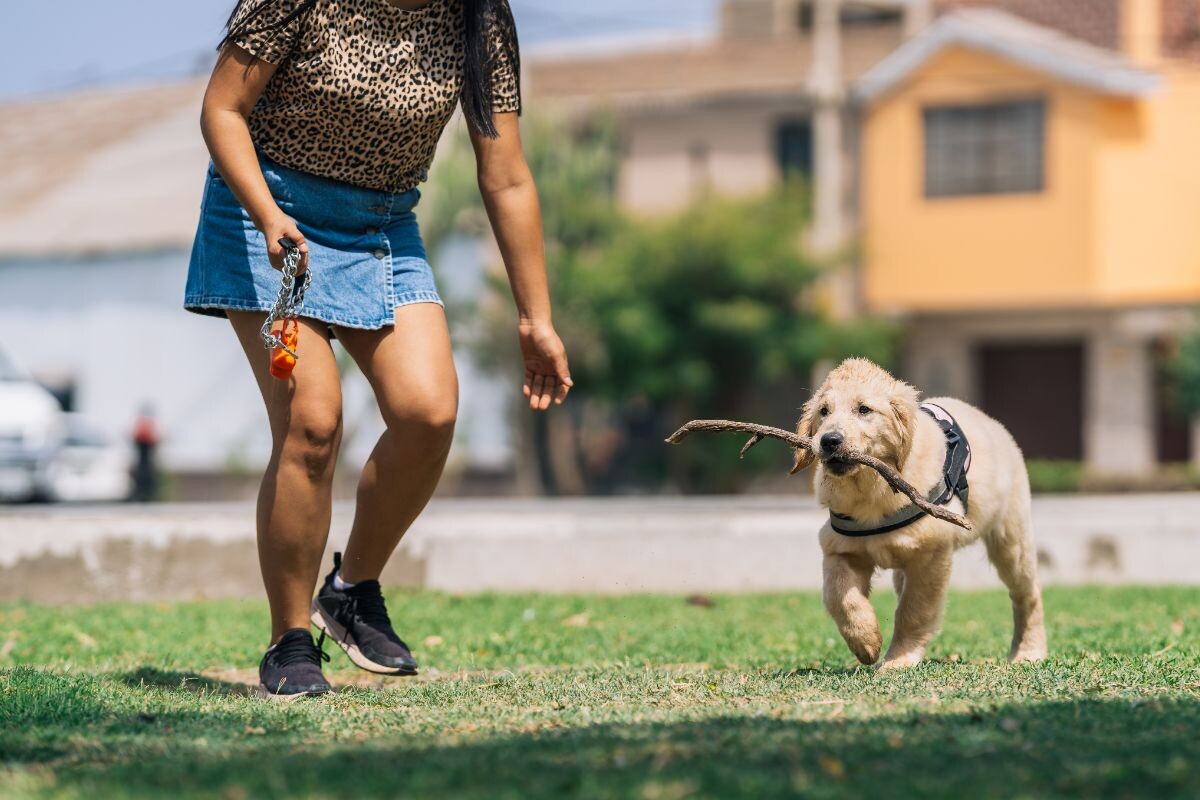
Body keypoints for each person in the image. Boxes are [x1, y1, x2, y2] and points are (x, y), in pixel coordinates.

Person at [183, 0, 572, 699]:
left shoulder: (479, 19)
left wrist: (534, 316)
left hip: (382, 227)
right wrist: (269, 218)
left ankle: (352, 589)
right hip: (264, 214)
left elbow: (506, 174)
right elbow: (221, 110)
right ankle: (289, 638)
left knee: (428, 413)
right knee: (313, 420)